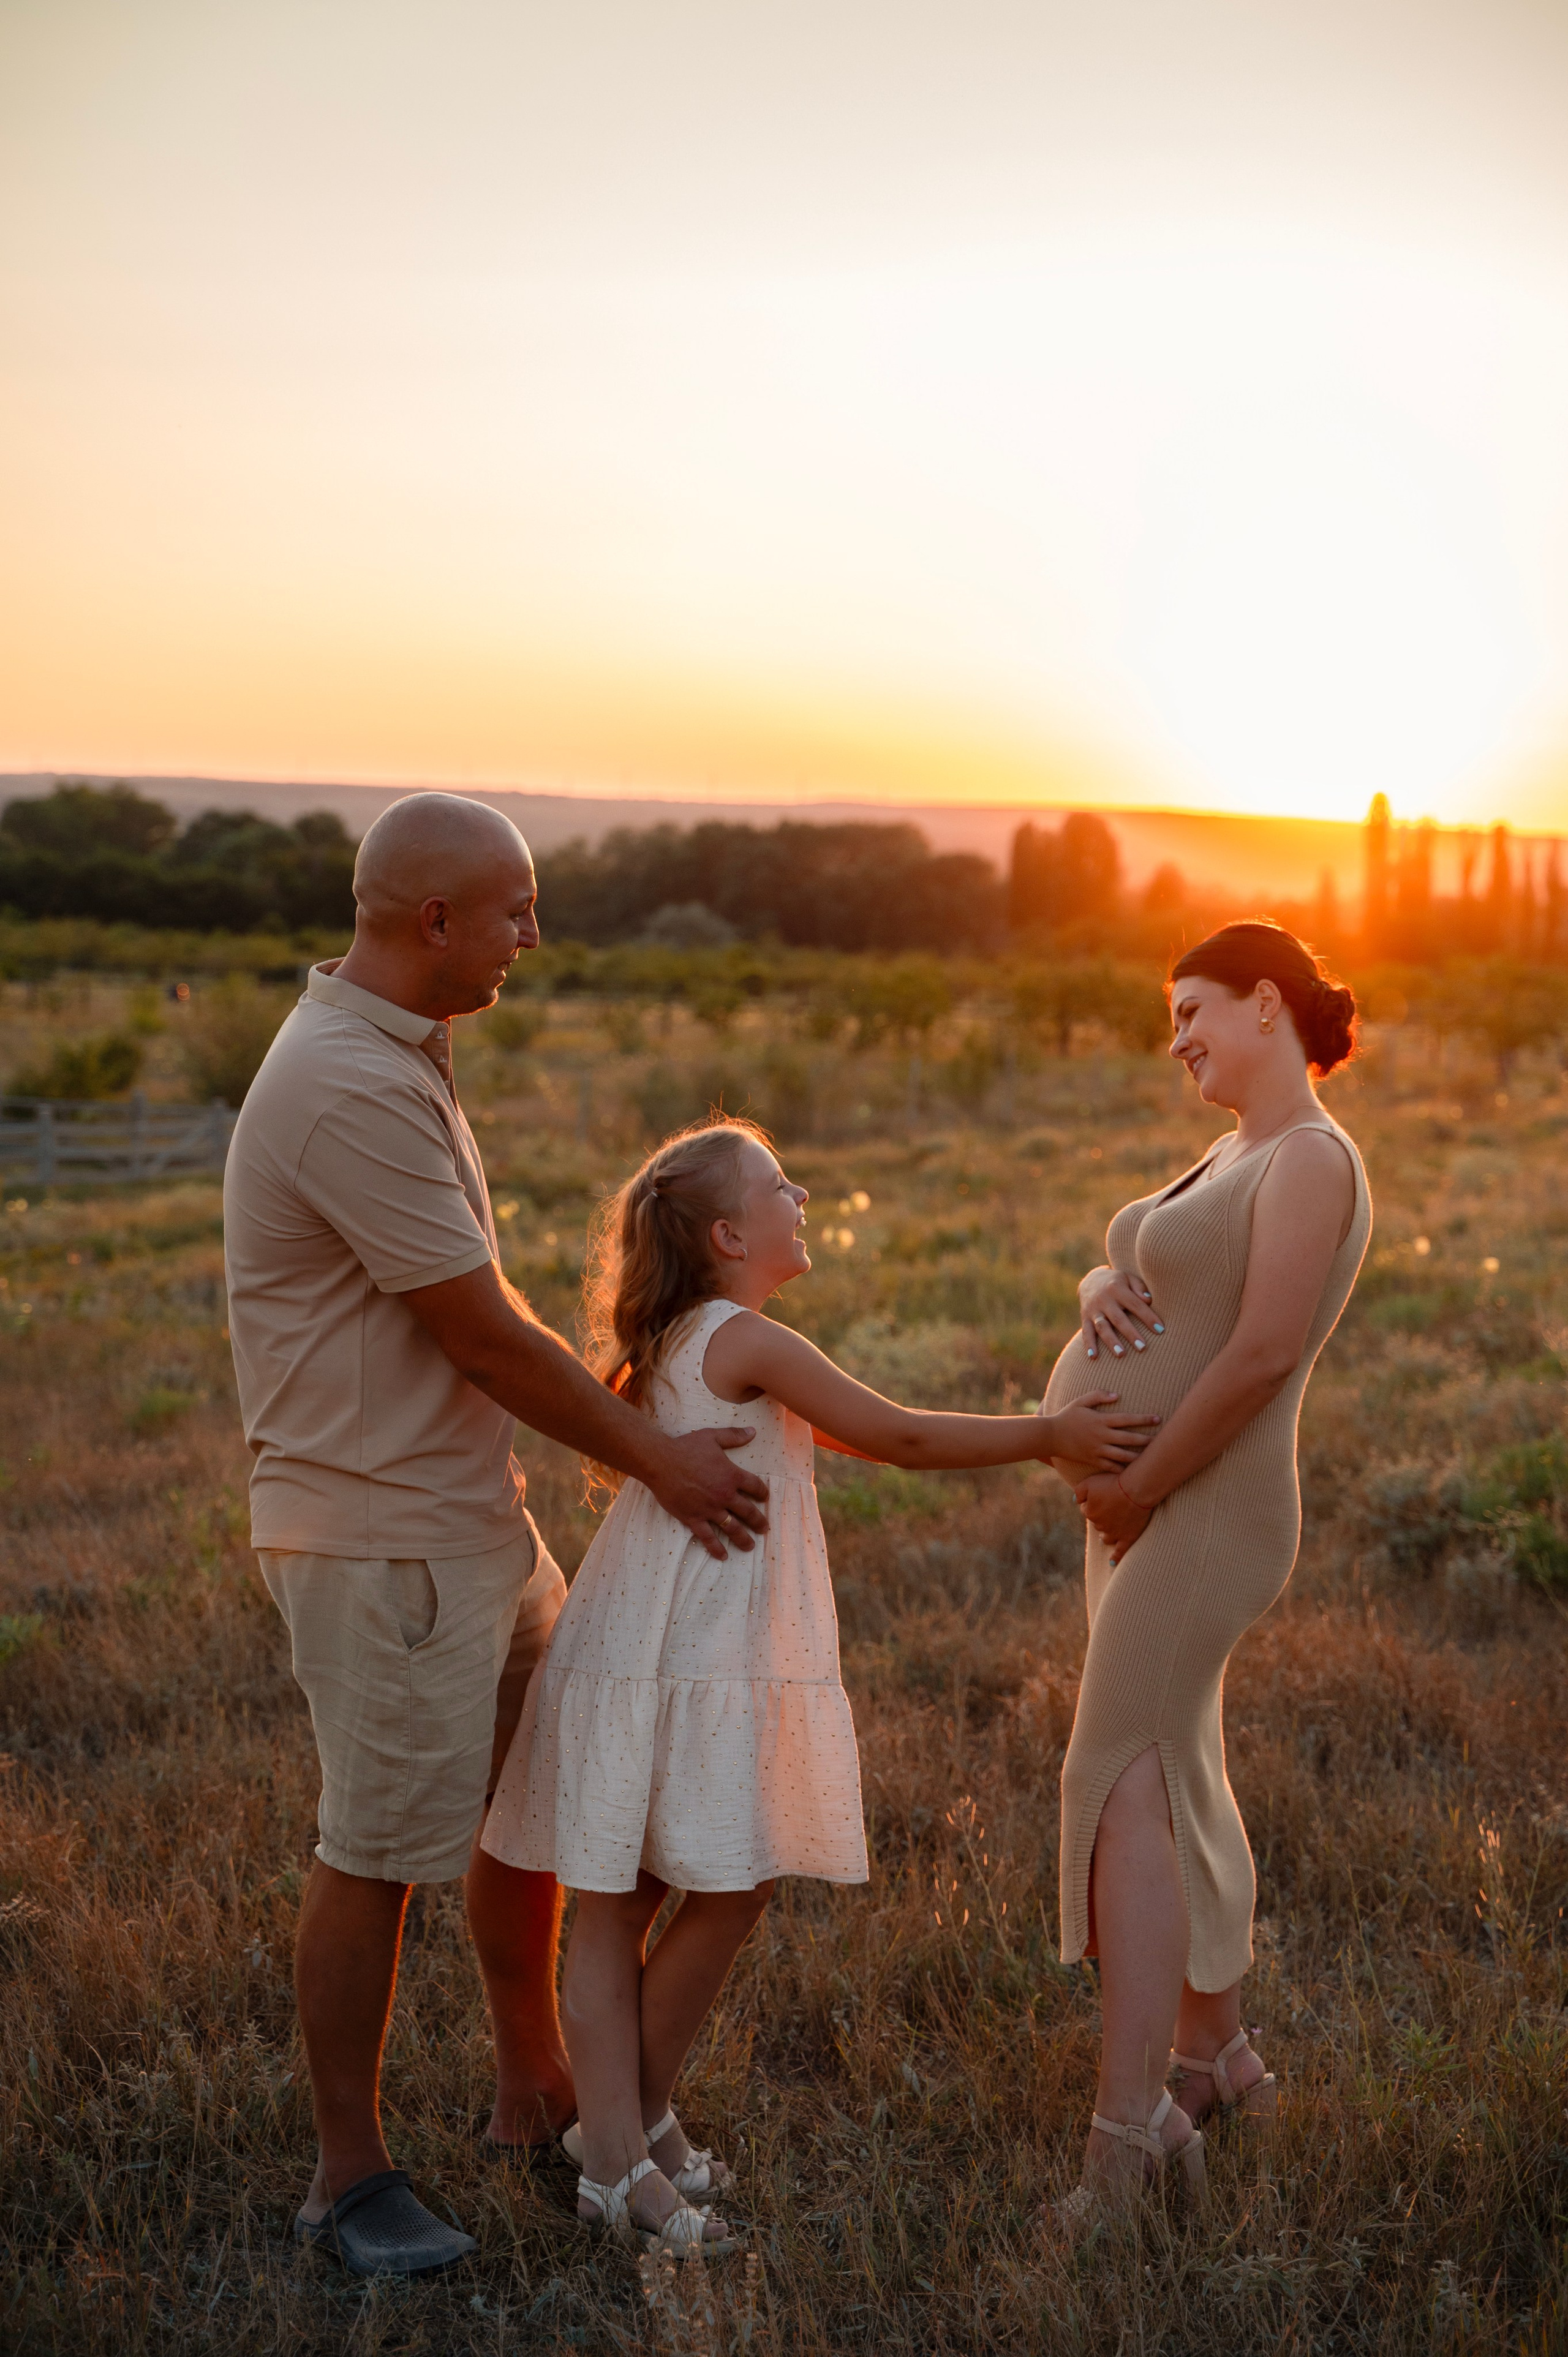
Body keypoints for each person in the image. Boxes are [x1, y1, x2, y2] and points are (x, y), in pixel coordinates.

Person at [222, 794, 772, 2279]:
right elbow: (475, 1331)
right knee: (376, 1850)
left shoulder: (400, 1046)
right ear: (432, 920)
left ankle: (534, 2084)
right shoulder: (346, 1080)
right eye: (515, 908)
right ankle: (348, 2179)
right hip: (378, 1530)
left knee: (538, 1804)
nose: (535, 933)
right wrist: (654, 1454)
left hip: (470, 1518)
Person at [481, 1114, 1160, 2253]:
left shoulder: (693, 1338)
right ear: (730, 1232)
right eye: (780, 1185)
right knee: (650, 1895)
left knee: (674, 1890)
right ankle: (614, 2162)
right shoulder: (742, 1338)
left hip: (668, 1646)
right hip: (679, 1654)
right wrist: (1050, 1434)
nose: (803, 1197)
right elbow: (893, 1436)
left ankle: (628, 2121)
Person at [1038, 920, 1371, 2220]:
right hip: (1147, 1507)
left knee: (1113, 1775)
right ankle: (1215, 2060)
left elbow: (1257, 1353)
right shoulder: (1235, 1151)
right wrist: (1090, 1284)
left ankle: (1123, 2152)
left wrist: (1136, 1480)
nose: (1173, 1037)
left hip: (1204, 1508)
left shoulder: (1309, 1158)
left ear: (1267, 1005)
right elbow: (1154, 1264)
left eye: (1191, 1011)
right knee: (1176, 1769)